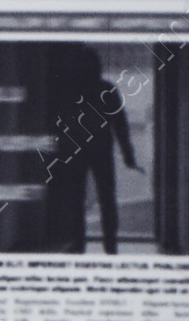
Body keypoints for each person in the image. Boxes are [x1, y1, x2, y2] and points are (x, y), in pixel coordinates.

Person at [43, 44, 137, 253]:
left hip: (77, 151)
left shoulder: (71, 90)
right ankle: (110, 245)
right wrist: (127, 153)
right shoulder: (107, 90)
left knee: (77, 199)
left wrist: (58, 152)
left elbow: (61, 123)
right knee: (106, 198)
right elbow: (120, 125)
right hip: (100, 151)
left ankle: (79, 244)